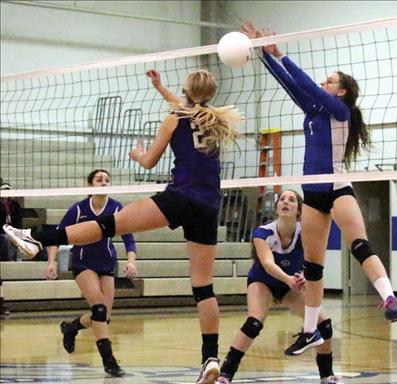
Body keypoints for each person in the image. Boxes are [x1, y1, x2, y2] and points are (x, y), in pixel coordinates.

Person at [3, 68, 242, 384]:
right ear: (211, 93)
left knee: (106, 225)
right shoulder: (218, 121)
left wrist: (137, 154)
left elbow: (149, 162)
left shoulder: (173, 120)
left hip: (179, 196)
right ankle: (210, 358)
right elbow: (190, 109)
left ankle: (34, 236)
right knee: (203, 287)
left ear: (186, 90)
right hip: (209, 206)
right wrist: (160, 88)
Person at [241, 21, 397, 349]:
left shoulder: (339, 110)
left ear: (340, 91)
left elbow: (305, 84)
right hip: (312, 193)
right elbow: (290, 85)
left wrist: (281, 53)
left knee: (359, 244)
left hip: (336, 186)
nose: (322, 83)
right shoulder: (313, 111)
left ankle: (389, 298)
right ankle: (310, 329)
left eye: (329, 81)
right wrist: (260, 54)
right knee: (313, 267)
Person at [216, 190, 341, 384]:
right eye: (282, 199)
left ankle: (327, 375)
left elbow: (313, 262)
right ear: (276, 208)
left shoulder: (305, 232)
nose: (285, 202)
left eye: (291, 200)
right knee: (254, 323)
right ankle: (225, 374)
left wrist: (304, 277)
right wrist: (289, 279)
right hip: (263, 281)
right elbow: (268, 264)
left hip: (290, 285)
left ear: (299, 210)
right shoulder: (263, 232)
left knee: (324, 325)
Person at [44, 169, 137, 377]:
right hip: (83, 263)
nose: (104, 183)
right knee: (99, 310)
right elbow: (57, 236)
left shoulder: (116, 207)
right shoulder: (78, 209)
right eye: (99, 180)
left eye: (107, 180)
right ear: (90, 184)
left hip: (107, 263)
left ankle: (71, 327)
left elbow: (129, 237)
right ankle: (109, 362)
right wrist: (51, 262)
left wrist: (131, 261)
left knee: (104, 317)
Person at [0, 181, 21, 261]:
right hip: (2, 233)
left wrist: (16, 232)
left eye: (7, 190)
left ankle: (18, 261)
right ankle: (9, 261)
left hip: (13, 231)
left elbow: (18, 222)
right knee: (5, 239)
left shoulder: (15, 205)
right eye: (4, 190)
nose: (6, 192)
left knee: (23, 237)